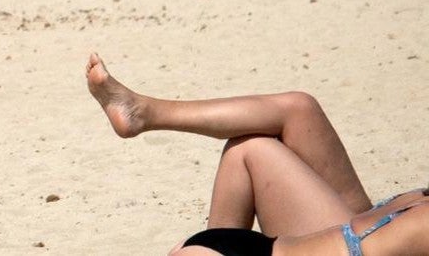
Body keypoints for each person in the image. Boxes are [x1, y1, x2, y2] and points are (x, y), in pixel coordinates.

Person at [85, 53, 429, 256]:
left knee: (249, 150)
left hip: (340, 245)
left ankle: (142, 115)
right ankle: (143, 113)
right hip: (358, 226)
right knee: (290, 115)